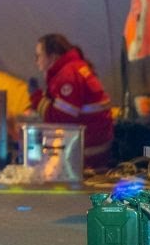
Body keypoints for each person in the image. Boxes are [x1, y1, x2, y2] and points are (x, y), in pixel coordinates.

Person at [29, 33, 113, 169]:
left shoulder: (68, 76)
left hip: (86, 151)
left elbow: (61, 119)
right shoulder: (74, 68)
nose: (36, 60)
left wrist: (37, 100)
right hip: (96, 143)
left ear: (53, 56)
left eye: (39, 56)